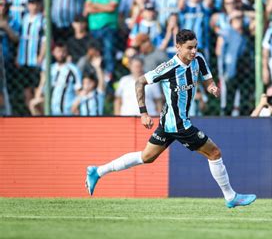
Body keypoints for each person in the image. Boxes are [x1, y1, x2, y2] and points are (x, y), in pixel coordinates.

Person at [86, 29, 257, 208]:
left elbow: (207, 79)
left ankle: (98, 171)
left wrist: (212, 87)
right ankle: (230, 197)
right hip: (178, 124)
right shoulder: (169, 68)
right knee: (214, 153)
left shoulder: (198, 59)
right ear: (178, 47)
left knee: (147, 157)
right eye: (189, 48)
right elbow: (140, 82)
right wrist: (144, 112)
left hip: (169, 122)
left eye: (195, 47)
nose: (193, 51)